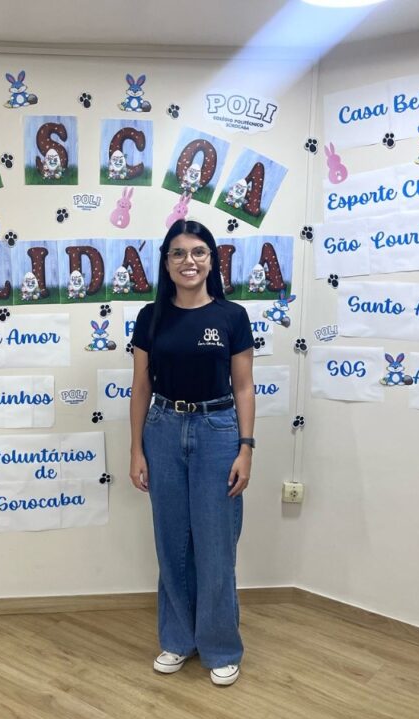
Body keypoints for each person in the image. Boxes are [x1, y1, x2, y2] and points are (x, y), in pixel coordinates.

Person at [129, 219, 256, 686]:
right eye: (179, 253)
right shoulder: (151, 317)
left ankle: (220, 646)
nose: (189, 261)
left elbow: (244, 388)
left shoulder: (232, 317)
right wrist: (136, 449)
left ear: (211, 260)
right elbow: (140, 387)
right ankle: (178, 639)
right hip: (163, 429)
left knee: (215, 543)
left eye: (198, 252)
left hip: (218, 430)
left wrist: (246, 448)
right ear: (167, 263)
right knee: (172, 543)